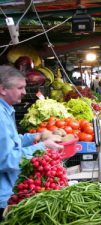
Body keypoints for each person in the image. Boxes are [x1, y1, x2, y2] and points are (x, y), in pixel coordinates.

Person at [0, 65, 63, 221]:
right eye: (20, 87)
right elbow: (6, 159)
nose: (24, 92)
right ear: (3, 89)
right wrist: (42, 146)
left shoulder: (6, 110)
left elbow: (11, 142)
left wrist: (35, 136)